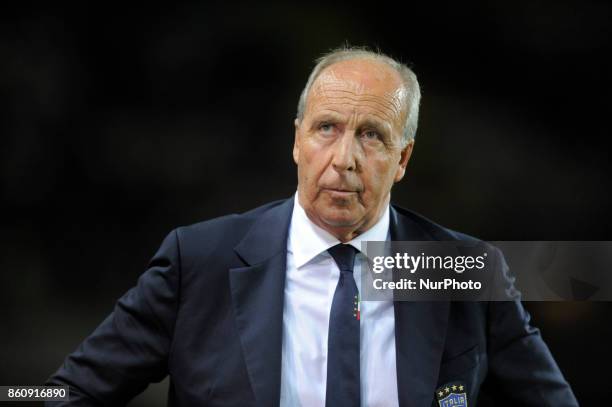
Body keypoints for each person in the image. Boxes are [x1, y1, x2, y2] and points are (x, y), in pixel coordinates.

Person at [46, 47, 578, 406]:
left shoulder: (459, 270)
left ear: (403, 159)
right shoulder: (200, 261)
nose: (344, 158)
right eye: (327, 128)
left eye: (372, 135)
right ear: (297, 139)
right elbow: (68, 392)